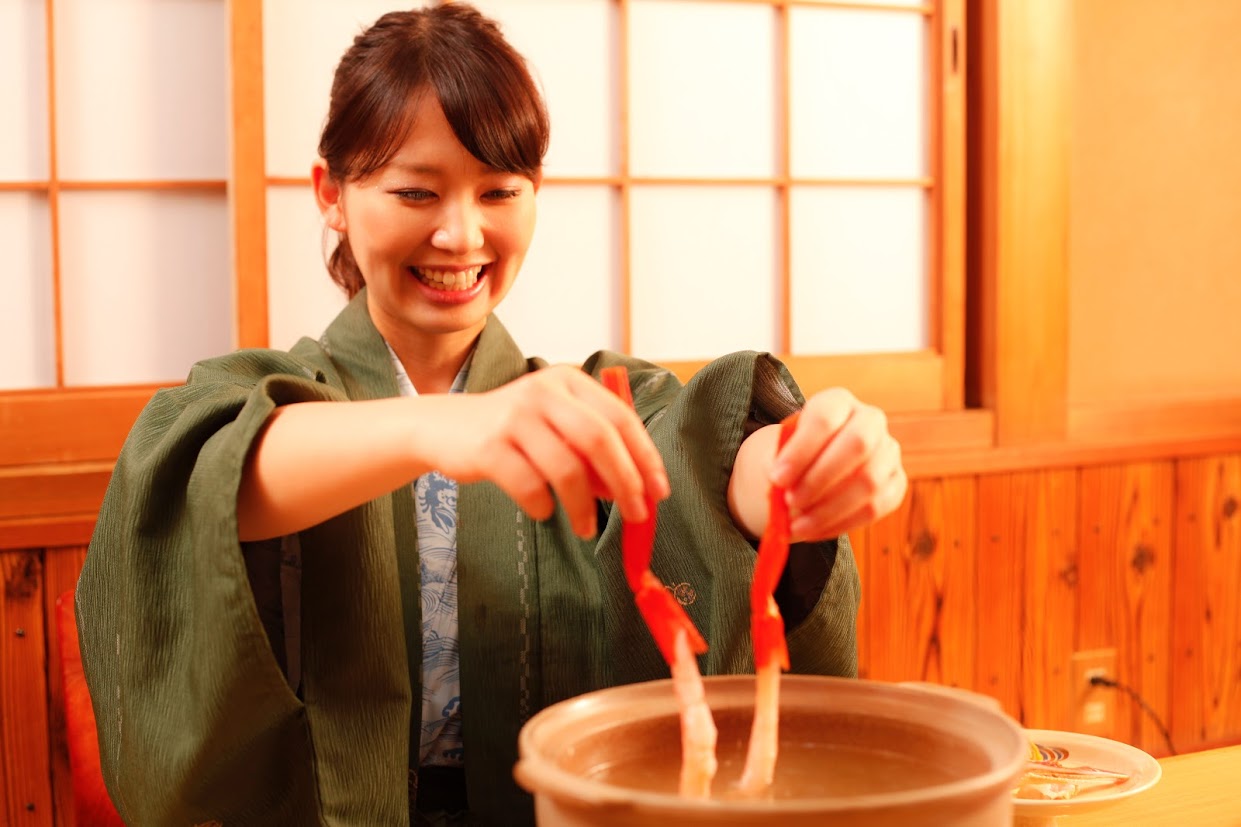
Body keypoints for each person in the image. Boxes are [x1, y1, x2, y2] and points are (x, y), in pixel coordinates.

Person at [75, 3, 908, 825]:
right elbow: (218, 473)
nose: (461, 234)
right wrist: (437, 426)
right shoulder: (281, 398)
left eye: (499, 190)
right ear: (331, 193)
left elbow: (700, 455)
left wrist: (804, 462)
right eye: (415, 191)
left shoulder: (591, 400)